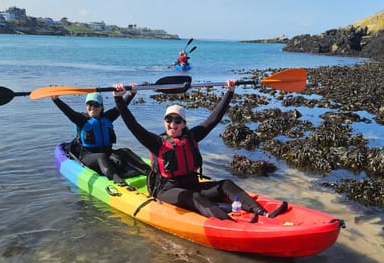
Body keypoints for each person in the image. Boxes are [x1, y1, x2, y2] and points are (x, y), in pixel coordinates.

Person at [113, 79, 270, 220]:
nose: (172, 123)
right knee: (194, 197)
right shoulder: (156, 143)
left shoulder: (192, 137)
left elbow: (214, 118)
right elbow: (132, 125)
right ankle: (233, 225)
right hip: (168, 190)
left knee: (226, 184)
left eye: (177, 120)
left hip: (192, 185)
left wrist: (229, 92)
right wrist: (119, 99)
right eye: (168, 119)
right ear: (164, 122)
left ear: (184, 123)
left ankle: (263, 213)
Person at [52, 90, 136, 182]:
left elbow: (120, 107)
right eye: (89, 104)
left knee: (125, 151)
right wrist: (56, 100)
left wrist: (132, 94)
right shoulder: (81, 119)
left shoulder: (107, 117)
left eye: (96, 105)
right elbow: (68, 111)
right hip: (87, 156)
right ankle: (119, 181)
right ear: (86, 106)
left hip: (107, 153)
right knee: (101, 156)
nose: (92, 107)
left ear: (101, 107)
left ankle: (149, 172)